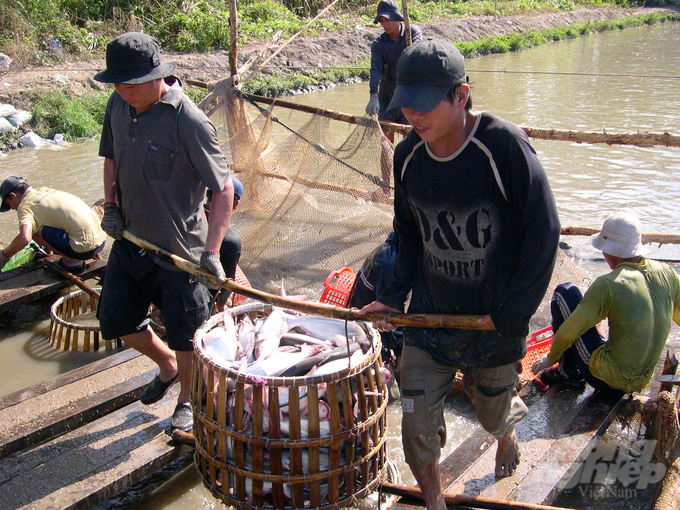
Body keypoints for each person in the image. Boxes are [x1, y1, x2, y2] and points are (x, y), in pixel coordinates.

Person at [358, 39, 561, 508]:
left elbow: (543, 230)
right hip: (430, 322)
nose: (415, 116)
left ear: (461, 95)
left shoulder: (502, 147)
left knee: (491, 414)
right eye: (407, 105)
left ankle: (505, 432)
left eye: (426, 105)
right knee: (413, 425)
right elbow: (407, 233)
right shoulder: (409, 157)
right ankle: (434, 503)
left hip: (492, 322)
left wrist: (514, 315)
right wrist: (392, 297)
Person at [93, 32, 234, 434]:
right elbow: (110, 158)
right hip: (131, 240)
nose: (125, 91)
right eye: (118, 83)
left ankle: (187, 400)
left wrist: (211, 253)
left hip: (180, 252)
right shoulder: (117, 104)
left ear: (159, 76)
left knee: (186, 335)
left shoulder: (188, 121)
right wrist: (112, 206)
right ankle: (167, 366)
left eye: (133, 83)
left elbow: (223, 189)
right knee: (115, 319)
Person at [533, 212, 680, 394]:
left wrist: (550, 357)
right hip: (641, 382)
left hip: (608, 381)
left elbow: (569, 331)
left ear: (610, 250)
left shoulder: (609, 284)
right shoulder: (669, 274)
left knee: (565, 292)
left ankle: (568, 373)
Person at [0, 176, 106, 271]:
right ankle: (73, 254)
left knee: (32, 230)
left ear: (13, 195)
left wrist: (4, 255)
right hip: (101, 240)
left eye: (10, 204)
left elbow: (24, 238)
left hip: (84, 249)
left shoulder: (25, 205)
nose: (13, 208)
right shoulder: (44, 190)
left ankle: (71, 260)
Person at [366, 0, 422, 145]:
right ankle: (388, 168)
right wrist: (373, 95)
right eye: (381, 21)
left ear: (396, 17)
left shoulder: (412, 32)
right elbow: (375, 68)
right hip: (387, 100)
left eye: (387, 20)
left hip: (408, 99)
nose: (384, 25)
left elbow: (416, 54)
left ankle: (404, 168)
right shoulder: (379, 44)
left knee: (409, 145)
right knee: (386, 146)